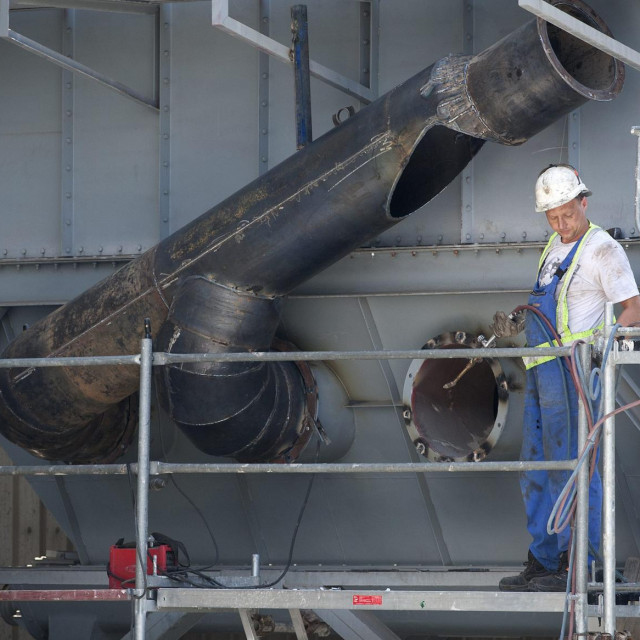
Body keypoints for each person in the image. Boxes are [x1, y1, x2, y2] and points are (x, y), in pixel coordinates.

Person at [492, 164, 640, 592]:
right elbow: (551, 310)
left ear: (583, 202)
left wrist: (606, 351)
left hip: (575, 372)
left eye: (567, 214)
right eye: (552, 216)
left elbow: (632, 308)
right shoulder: (552, 248)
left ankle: (580, 564)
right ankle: (544, 560)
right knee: (537, 468)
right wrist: (518, 326)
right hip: (542, 371)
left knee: (573, 470)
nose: (561, 223)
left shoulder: (602, 250)